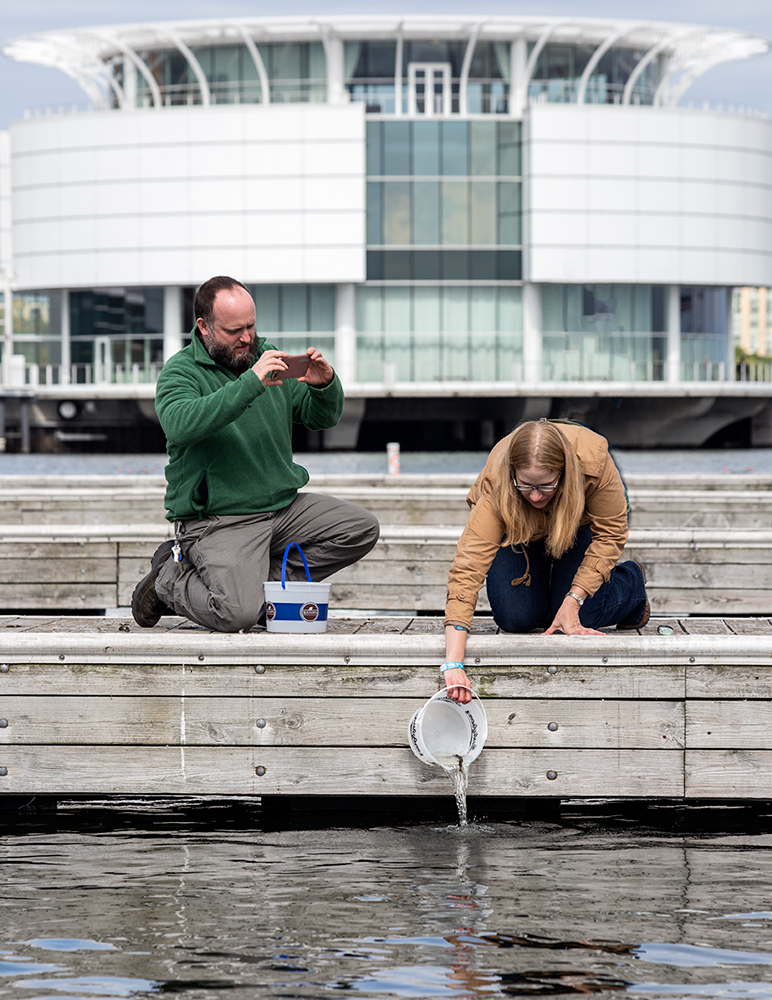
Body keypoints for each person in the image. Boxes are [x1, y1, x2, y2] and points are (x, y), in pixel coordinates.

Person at [131, 275, 380, 632]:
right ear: (204, 327)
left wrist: (325, 385)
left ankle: (261, 585)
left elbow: (320, 417)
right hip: (219, 519)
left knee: (360, 529)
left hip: (282, 509)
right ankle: (168, 578)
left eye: (251, 326)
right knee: (236, 615)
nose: (247, 337)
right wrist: (250, 383)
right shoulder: (179, 372)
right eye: (235, 330)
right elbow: (180, 425)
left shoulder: (266, 357)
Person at [442, 419, 648, 703]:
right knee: (516, 618)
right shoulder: (499, 483)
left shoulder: (594, 461)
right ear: (513, 472)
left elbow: (611, 534)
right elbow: (468, 567)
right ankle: (550, 597)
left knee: (580, 618)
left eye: (545, 486)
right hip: (518, 525)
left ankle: (631, 581)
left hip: (577, 522)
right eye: (526, 485)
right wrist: (453, 663)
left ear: (563, 474)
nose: (536, 496)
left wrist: (573, 599)